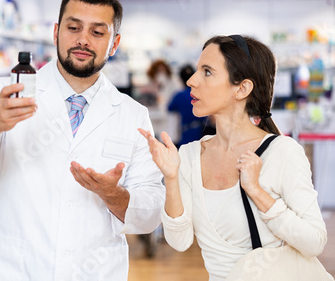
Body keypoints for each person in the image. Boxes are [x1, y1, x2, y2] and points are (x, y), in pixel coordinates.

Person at [0, 0, 164, 280]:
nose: (83, 40)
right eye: (73, 27)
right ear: (56, 32)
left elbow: (151, 211)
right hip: (17, 269)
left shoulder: (132, 114)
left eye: (97, 32)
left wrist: (115, 196)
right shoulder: (8, 93)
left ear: (114, 43)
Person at [139, 35, 328, 280]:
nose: (191, 80)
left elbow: (315, 242)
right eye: (197, 70)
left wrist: (258, 193)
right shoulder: (189, 155)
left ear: (242, 88)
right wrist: (172, 178)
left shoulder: (282, 152)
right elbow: (179, 241)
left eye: (207, 72)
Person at [168, 64, 208, 147]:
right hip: (201, 130)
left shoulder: (179, 95)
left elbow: (169, 108)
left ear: (180, 79)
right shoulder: (201, 93)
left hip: (186, 131)